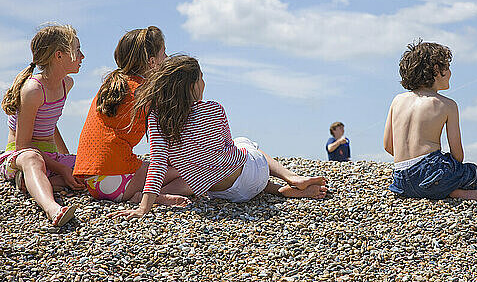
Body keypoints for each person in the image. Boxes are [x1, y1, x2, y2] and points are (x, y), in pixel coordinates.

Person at [111, 55, 328, 219]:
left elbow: (157, 163)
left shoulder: (157, 119)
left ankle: (280, 190)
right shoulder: (214, 109)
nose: (204, 83)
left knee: (217, 174)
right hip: (251, 176)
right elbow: (228, 148)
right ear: (192, 86)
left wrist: (143, 208)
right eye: (201, 78)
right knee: (244, 144)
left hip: (231, 195)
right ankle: (291, 178)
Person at [384, 40, 477, 218]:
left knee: (436, 181)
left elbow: (388, 145)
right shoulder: (447, 104)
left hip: (401, 181)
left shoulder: (397, 100)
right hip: (434, 173)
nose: (450, 73)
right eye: (447, 67)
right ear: (436, 70)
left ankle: (453, 191)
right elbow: (458, 155)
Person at [73, 27, 191, 207]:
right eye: (163, 53)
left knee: (153, 166)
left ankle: (139, 194)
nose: (167, 58)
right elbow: (169, 138)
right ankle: (150, 197)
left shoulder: (113, 85)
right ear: (152, 62)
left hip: (93, 181)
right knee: (190, 175)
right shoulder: (146, 93)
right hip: (118, 180)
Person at [1, 24, 86, 226]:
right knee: (33, 159)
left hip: (50, 156)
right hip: (19, 156)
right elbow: (22, 146)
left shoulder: (67, 84)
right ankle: (53, 209)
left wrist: (67, 159)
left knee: (90, 166)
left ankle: (30, 182)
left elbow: (50, 123)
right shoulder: (33, 90)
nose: (82, 56)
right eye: (77, 50)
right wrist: (62, 168)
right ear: (59, 55)